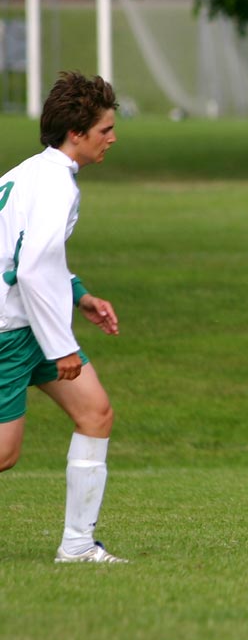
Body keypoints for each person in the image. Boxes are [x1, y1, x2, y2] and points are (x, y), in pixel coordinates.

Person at [0, 72, 126, 563]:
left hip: (27, 324)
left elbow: (28, 256)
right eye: (105, 130)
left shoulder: (28, 172)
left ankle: (76, 545)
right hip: (12, 332)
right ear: (77, 133)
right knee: (5, 455)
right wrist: (62, 347)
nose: (112, 138)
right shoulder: (55, 184)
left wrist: (81, 296)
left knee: (95, 413)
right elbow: (29, 269)